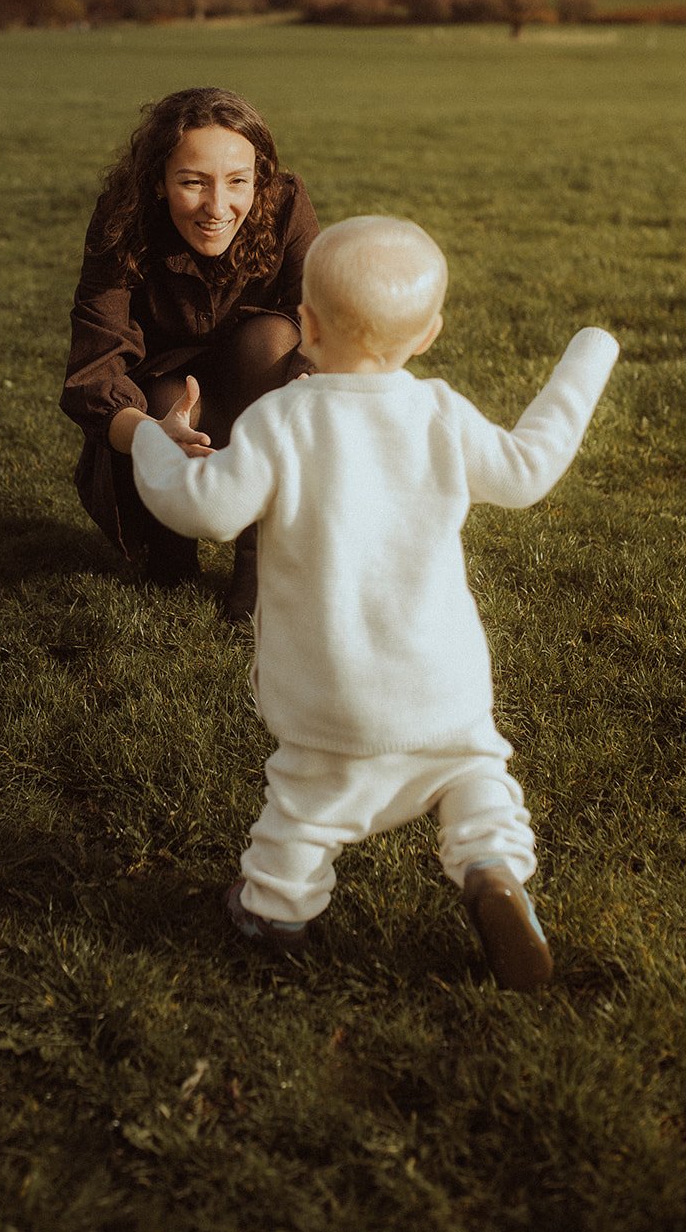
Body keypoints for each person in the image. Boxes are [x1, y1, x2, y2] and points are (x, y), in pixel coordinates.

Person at [130, 215, 620, 989]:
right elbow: (527, 470)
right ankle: (491, 864)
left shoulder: (280, 420)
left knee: (309, 799)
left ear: (307, 324)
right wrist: (587, 359)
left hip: (329, 686)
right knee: (473, 774)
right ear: (428, 334)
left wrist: (159, 439)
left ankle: (276, 908)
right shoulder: (438, 413)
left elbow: (206, 512)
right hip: (442, 680)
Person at [60, 87, 318, 620]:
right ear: (157, 180)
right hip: (170, 406)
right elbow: (94, 366)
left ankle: (259, 558)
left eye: (238, 181)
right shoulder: (122, 222)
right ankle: (170, 543)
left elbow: (322, 316)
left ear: (260, 178)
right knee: (163, 393)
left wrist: (307, 384)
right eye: (192, 182)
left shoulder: (286, 203)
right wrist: (150, 437)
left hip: (262, 397)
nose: (217, 207)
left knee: (272, 340)